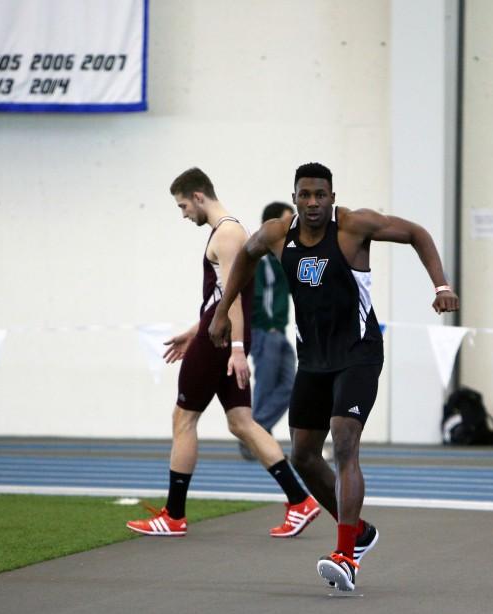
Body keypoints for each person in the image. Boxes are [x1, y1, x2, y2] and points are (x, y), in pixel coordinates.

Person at [209, 162, 459, 591]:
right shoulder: (276, 234)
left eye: (320, 195)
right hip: (314, 359)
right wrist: (223, 311)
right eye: (304, 195)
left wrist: (440, 287)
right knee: (304, 455)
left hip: (358, 354)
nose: (312, 203)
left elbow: (417, 233)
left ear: (332, 197)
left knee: (344, 441)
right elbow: (245, 259)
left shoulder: (354, 227)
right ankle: (359, 532)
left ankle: (347, 555)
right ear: (294, 198)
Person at [126, 167, 319, 539]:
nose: (183, 214)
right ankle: (300, 502)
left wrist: (235, 350)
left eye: (183, 205)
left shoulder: (228, 233)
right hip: (215, 338)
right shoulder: (230, 232)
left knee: (183, 419)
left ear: (199, 196)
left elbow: (234, 304)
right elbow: (220, 298)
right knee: (242, 422)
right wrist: (194, 329)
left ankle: (174, 515)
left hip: (219, 345)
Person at [238, 201, 297, 461]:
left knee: (291, 386)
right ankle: (254, 439)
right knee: (264, 385)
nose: (292, 226)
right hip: (265, 330)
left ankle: (256, 432)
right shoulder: (260, 257)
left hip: (280, 331)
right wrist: (264, 324)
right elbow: (254, 296)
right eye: (287, 221)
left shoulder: (282, 257)